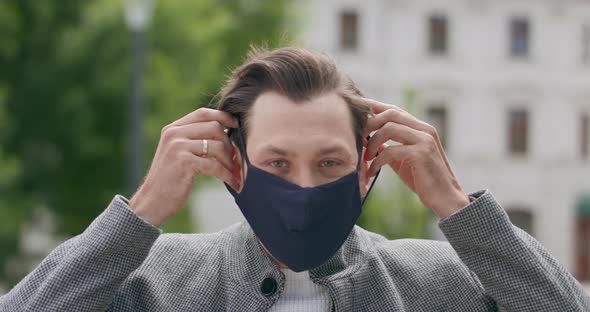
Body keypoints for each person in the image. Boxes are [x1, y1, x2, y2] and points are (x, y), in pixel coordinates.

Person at [1, 46, 589, 312]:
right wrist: (143, 213)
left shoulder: (440, 285)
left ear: (367, 168)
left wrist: (460, 210)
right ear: (235, 164)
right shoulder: (152, 283)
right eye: (277, 164)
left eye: (329, 163)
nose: (304, 187)